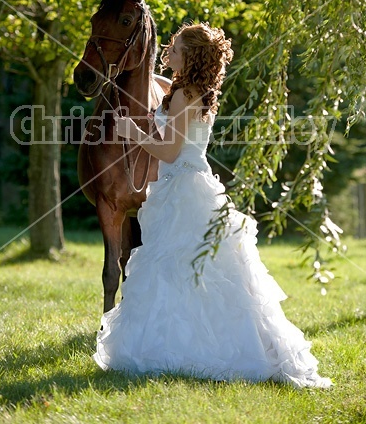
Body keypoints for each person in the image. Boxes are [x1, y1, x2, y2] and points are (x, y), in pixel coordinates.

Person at [93, 22, 332, 388]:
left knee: (176, 268)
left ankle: (187, 350)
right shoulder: (195, 91)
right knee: (200, 271)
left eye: (173, 49)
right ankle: (203, 343)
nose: (167, 53)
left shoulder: (181, 95)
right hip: (191, 185)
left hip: (182, 189)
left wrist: (133, 133)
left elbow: (170, 152)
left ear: (189, 56)